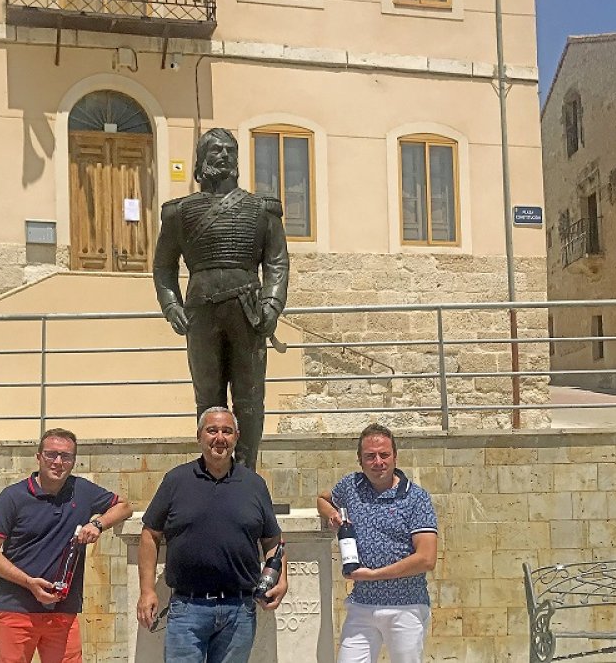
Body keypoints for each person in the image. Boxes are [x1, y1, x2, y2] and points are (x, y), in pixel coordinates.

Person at [152, 128, 290, 471]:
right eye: (215, 149)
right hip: (201, 312)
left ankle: (246, 473)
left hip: (247, 311)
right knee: (208, 397)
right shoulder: (178, 213)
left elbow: (276, 261)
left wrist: (272, 304)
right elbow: (163, 266)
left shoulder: (261, 210)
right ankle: (213, 470)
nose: (223, 155)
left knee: (249, 397)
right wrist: (171, 305)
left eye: (230, 149)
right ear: (201, 159)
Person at [136, 406, 287, 662]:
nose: (220, 438)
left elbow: (273, 539)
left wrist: (281, 580)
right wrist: (147, 590)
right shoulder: (176, 480)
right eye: (212, 430)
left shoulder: (254, 484)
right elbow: (150, 534)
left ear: (236, 437)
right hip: (187, 610)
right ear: (199, 436)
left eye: (227, 431)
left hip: (239, 610)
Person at [0, 427, 133, 663]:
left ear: (73, 461)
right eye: (51, 454)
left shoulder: (82, 491)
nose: (58, 462)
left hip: (63, 610)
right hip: (16, 610)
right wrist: (29, 583)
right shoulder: (13, 497)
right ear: (38, 457)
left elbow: (124, 506)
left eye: (66, 456)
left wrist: (98, 524)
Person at [316, 424, 439, 663]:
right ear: (360, 461)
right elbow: (322, 498)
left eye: (384, 455)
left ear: (395, 456)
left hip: (406, 607)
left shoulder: (416, 498)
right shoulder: (351, 486)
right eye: (370, 456)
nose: (378, 462)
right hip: (362, 606)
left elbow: (426, 558)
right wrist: (332, 513)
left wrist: (373, 575)